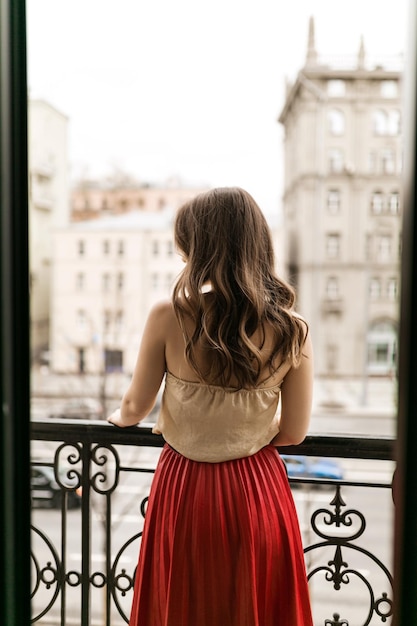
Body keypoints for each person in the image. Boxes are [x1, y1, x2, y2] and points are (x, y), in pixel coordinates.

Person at [107, 187, 314, 626]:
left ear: (199, 249)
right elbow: (294, 432)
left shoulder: (169, 316)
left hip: (184, 487)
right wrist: (241, 429)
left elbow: (135, 405)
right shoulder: (292, 330)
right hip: (257, 490)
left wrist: (120, 418)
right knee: (251, 604)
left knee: (183, 602)